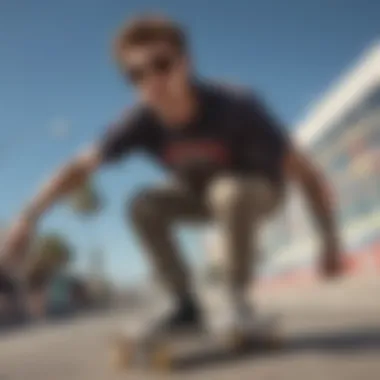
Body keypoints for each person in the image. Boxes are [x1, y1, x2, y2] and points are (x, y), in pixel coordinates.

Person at [0, 14, 342, 330]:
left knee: (230, 190)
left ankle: (237, 300)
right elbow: (78, 169)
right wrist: (28, 218)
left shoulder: (237, 105)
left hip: (261, 194)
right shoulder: (139, 120)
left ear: (186, 63)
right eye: (136, 75)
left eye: (161, 65)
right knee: (142, 204)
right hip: (200, 198)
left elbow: (306, 173)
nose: (151, 81)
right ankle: (185, 304)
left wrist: (329, 243)